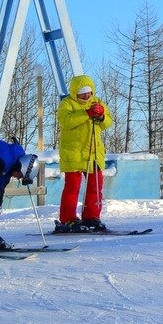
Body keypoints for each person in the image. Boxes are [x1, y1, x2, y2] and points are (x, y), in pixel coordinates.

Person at [56, 75, 114, 232]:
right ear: (75, 92)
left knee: (95, 186)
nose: (86, 96)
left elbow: (108, 122)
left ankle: (92, 216)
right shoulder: (67, 104)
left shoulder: (97, 102)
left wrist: (101, 116)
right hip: (73, 153)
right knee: (72, 187)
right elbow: (66, 122)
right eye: (82, 93)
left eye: (88, 92)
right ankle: (68, 219)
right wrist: (86, 113)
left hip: (94, 153)